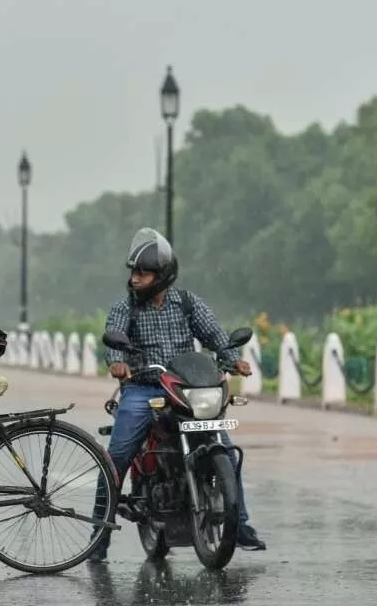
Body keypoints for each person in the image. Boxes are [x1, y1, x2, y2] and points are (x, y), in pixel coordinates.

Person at [90, 227, 267, 563]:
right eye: (134, 272)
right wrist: (117, 363)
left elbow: (216, 336)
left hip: (187, 388)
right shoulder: (125, 307)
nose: (135, 279)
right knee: (116, 460)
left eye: (143, 273)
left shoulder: (187, 303)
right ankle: (99, 534)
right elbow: (112, 338)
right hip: (143, 389)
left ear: (162, 276)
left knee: (226, 451)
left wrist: (233, 360)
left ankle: (239, 524)